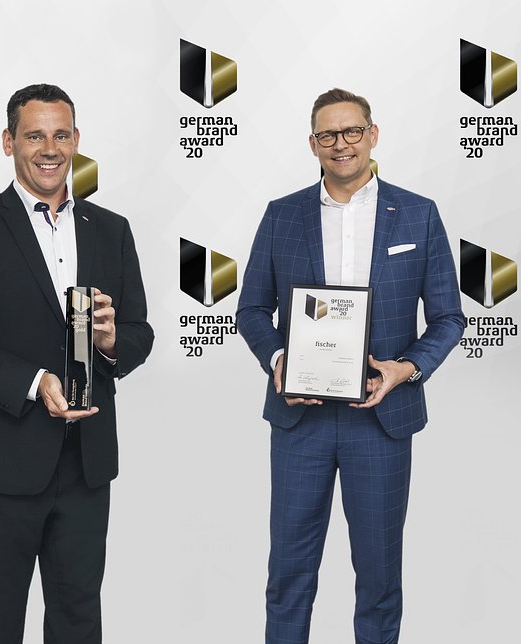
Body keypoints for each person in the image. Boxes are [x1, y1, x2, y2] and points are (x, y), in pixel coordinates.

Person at [0, 83, 153, 643]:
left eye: (61, 135)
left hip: (85, 464)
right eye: (34, 136)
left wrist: (111, 340)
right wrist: (34, 382)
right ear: (9, 142)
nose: (49, 149)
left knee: (78, 623)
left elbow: (140, 334)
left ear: (76, 140)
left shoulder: (111, 229)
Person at [236, 88, 465, 644]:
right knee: (288, 575)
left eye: (352, 131)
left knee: (380, 578)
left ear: (373, 135)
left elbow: (448, 318)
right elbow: (251, 310)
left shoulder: (418, 214)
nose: (342, 144)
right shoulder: (282, 214)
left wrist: (405, 368)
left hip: (380, 422)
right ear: (312, 144)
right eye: (328, 135)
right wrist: (280, 359)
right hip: (301, 420)